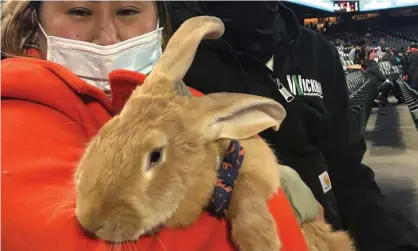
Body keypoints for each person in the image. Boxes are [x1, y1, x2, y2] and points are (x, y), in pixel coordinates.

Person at [1, 1, 323, 251]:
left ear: (158, 18)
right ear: (33, 20)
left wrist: (255, 194)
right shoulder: (16, 112)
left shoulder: (175, 102)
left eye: (128, 11)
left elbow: (250, 150)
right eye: (80, 12)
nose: (108, 36)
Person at [167, 2, 418, 251]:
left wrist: (395, 239)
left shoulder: (317, 51)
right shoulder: (179, 51)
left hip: (329, 233)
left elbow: (348, 172)